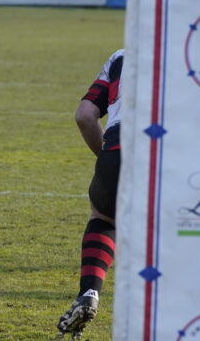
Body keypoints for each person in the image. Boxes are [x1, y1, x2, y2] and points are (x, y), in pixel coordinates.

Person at [57, 49, 123, 338]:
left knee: (105, 218)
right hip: (174, 153)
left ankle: (89, 292)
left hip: (119, 148)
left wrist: (106, 158)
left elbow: (85, 115)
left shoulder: (122, 56)